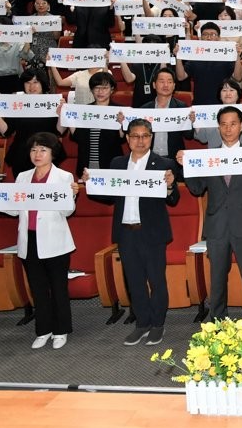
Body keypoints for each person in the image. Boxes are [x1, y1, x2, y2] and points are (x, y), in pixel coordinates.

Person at [86, 119, 180, 347]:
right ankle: (142, 324)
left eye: (145, 136)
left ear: (151, 138)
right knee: (135, 282)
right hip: (126, 232)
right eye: (135, 136)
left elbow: (174, 199)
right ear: (127, 139)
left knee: (156, 281)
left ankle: (158, 324)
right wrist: (92, 183)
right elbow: (108, 196)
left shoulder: (164, 164)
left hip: (152, 232)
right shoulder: (117, 163)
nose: (140, 140)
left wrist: (169, 185)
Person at [176, 107, 242, 324]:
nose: (228, 129)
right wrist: (186, 167)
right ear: (218, 127)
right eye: (223, 124)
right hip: (217, 225)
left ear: (241, 127)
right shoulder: (209, 157)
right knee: (217, 276)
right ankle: (218, 319)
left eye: (233, 124)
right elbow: (196, 188)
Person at [5, 133, 79, 350]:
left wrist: (72, 196)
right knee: (37, 288)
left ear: (52, 153)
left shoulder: (64, 177)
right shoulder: (22, 177)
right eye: (34, 150)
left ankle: (61, 330)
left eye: (43, 150)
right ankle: (43, 330)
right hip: (29, 239)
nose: (37, 154)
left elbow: (67, 211)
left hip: (55, 241)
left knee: (58, 288)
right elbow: (13, 210)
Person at [0, 68, 65, 178]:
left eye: (36, 82)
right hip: (21, 154)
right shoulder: (17, 103)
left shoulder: (53, 102)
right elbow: (6, 132)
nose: (31, 87)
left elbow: (59, 131)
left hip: (48, 154)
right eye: (28, 82)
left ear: (43, 84)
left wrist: (62, 113)